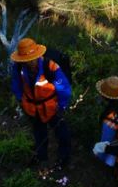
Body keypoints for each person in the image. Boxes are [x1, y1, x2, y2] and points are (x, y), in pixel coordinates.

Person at [9, 38, 72, 170]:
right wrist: (21, 99)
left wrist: (62, 106)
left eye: (31, 59)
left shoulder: (50, 66)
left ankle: (64, 158)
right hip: (32, 108)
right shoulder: (18, 67)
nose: (29, 62)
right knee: (39, 134)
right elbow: (16, 84)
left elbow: (63, 88)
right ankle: (42, 158)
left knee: (62, 133)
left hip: (52, 106)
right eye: (26, 60)